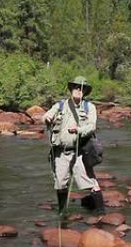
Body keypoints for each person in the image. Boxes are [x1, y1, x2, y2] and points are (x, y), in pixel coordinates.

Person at [43, 76, 105, 215]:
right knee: (60, 183)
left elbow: (92, 126)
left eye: (82, 88)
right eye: (76, 87)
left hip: (80, 153)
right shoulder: (60, 105)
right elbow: (47, 115)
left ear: (85, 92)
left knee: (90, 182)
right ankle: (62, 211)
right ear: (71, 89)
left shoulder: (90, 107)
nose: (78, 90)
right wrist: (47, 118)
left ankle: (101, 213)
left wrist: (78, 130)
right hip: (60, 153)